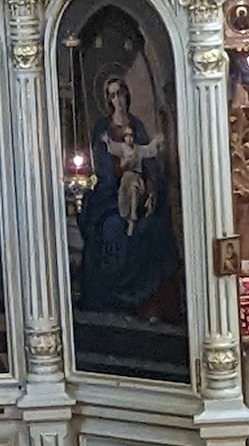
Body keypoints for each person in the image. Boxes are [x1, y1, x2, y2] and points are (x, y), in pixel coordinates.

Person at [77, 75, 179, 319]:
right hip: (110, 199)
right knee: (113, 229)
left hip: (140, 192)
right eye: (112, 95)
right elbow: (102, 167)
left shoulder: (137, 126)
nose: (118, 100)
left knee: (155, 229)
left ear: (127, 96)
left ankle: (150, 304)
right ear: (108, 100)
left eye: (120, 94)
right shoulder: (103, 129)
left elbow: (149, 159)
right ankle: (112, 303)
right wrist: (119, 173)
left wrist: (151, 187)